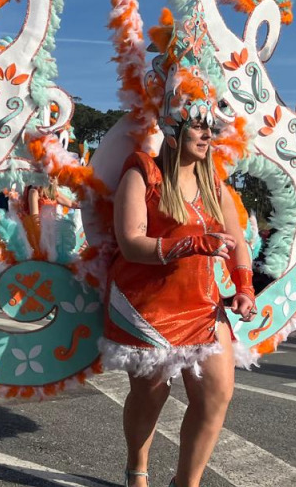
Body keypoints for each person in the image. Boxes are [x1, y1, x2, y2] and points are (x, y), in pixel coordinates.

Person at [106, 118, 255, 487]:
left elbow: (239, 245)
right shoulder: (144, 171)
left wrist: (245, 287)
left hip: (204, 303)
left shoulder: (213, 183)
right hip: (151, 306)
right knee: (151, 395)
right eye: (199, 127)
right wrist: (193, 244)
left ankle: (186, 483)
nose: (209, 135)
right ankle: (137, 471)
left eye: (211, 129)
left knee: (216, 395)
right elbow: (130, 242)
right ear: (173, 132)